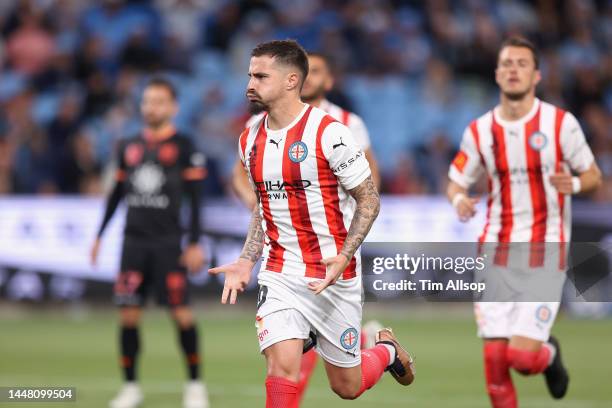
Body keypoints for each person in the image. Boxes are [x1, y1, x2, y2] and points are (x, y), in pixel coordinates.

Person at [209, 40, 415, 407]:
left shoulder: (329, 132)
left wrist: (345, 255)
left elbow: (369, 198)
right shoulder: (249, 138)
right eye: (249, 75)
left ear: (291, 81)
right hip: (281, 272)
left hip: (332, 275)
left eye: (260, 76)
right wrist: (246, 260)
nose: (250, 84)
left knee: (346, 386)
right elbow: (264, 207)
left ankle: (384, 351)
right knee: (282, 368)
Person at [447, 36, 602, 408]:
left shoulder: (561, 124)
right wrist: (459, 198)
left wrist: (577, 183)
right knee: (495, 368)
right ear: (497, 74)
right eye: (506, 64)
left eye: (521, 63)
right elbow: (456, 179)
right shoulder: (480, 131)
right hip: (495, 250)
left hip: (545, 249)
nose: (513, 70)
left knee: (521, 359)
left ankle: (547, 354)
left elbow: (594, 174)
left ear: (536, 75)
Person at [91, 77, 209, 408]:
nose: (151, 107)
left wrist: (196, 242)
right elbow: (116, 194)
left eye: (158, 101)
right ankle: (131, 387)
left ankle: (195, 384)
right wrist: (99, 235)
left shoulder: (186, 146)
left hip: (169, 244)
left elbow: (196, 201)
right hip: (133, 244)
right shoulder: (128, 145)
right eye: (146, 101)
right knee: (128, 315)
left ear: (173, 107)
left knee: (181, 313)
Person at [232, 51, 380, 210]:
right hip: (277, 228)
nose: (307, 77)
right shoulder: (259, 122)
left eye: (315, 72)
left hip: (334, 227)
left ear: (329, 81)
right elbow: (240, 173)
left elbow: (369, 172)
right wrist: (254, 203)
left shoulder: (348, 122)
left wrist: (360, 212)